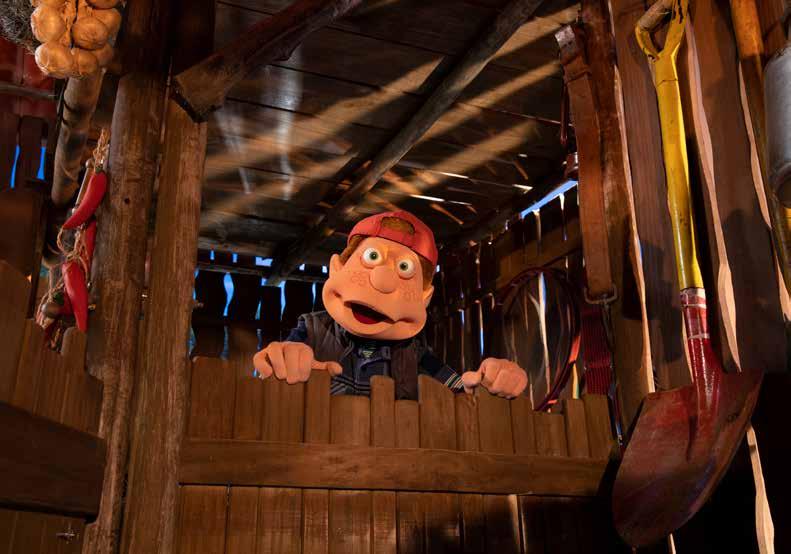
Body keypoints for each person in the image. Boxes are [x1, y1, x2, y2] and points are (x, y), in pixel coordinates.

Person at [253, 210, 527, 400]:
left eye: (404, 268)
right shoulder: (312, 331)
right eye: (372, 257)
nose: (383, 281)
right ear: (337, 269)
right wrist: (282, 359)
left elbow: (460, 394)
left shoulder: (414, 354)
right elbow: (273, 375)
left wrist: (490, 383)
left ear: (424, 298)